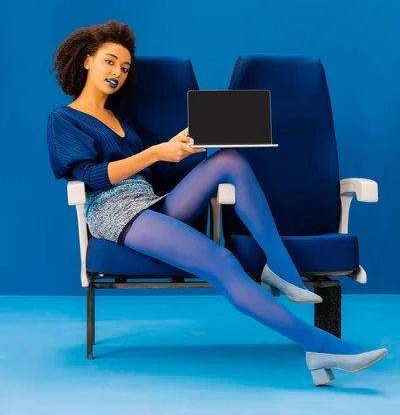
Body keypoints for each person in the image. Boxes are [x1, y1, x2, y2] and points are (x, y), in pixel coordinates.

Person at [47, 20, 387, 386]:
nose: (117, 72)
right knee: (221, 259)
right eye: (110, 62)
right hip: (115, 211)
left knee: (229, 158)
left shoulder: (116, 118)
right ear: (86, 61)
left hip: (149, 201)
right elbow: (92, 177)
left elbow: (145, 172)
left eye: (125, 67)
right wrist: (154, 152)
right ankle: (320, 346)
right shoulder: (64, 119)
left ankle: (279, 266)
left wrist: (175, 148)